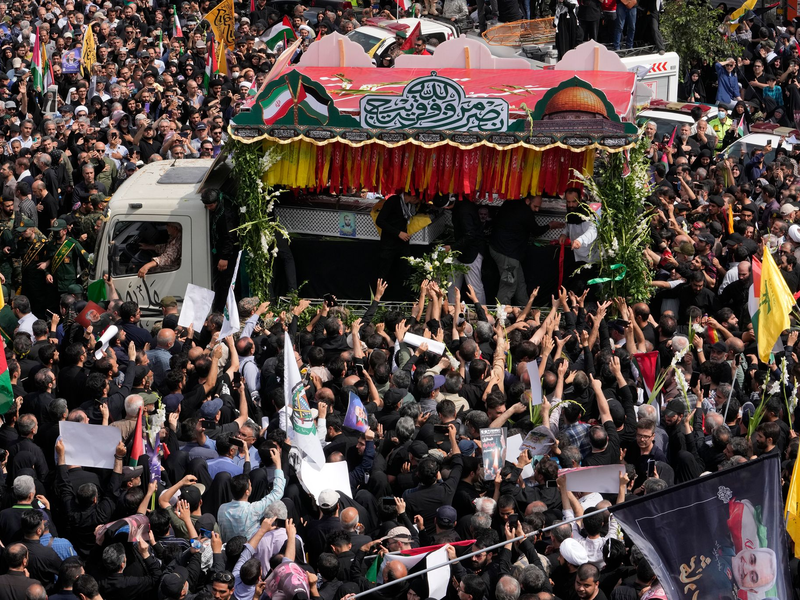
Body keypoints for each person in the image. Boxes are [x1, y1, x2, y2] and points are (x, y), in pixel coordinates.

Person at [200, 189, 239, 311]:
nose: (208, 208)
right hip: (220, 249)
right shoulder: (217, 204)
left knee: (225, 281)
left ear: (217, 201)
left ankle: (222, 309)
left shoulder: (225, 213)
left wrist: (224, 258)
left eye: (211, 205)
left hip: (227, 253)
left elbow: (229, 236)